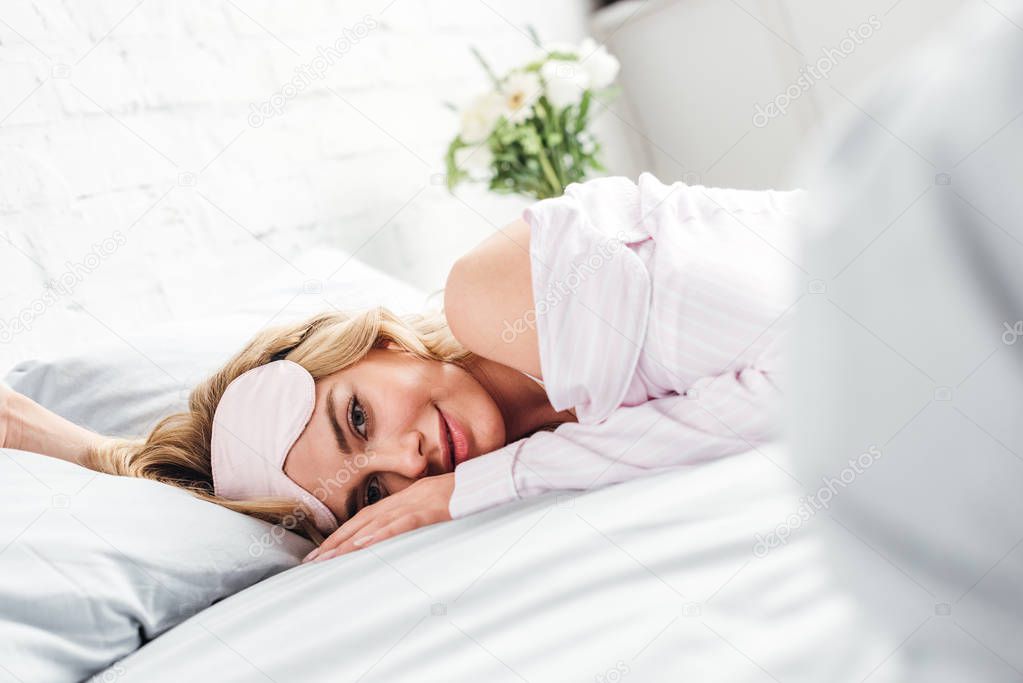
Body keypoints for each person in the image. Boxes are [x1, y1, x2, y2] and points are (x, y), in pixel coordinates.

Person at [0, 172, 804, 563]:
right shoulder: (536, 451)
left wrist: (480, 484)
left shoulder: (490, 295)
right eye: (372, 494)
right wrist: (85, 450)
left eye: (357, 417)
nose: (404, 460)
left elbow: (808, 372)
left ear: (378, 344)